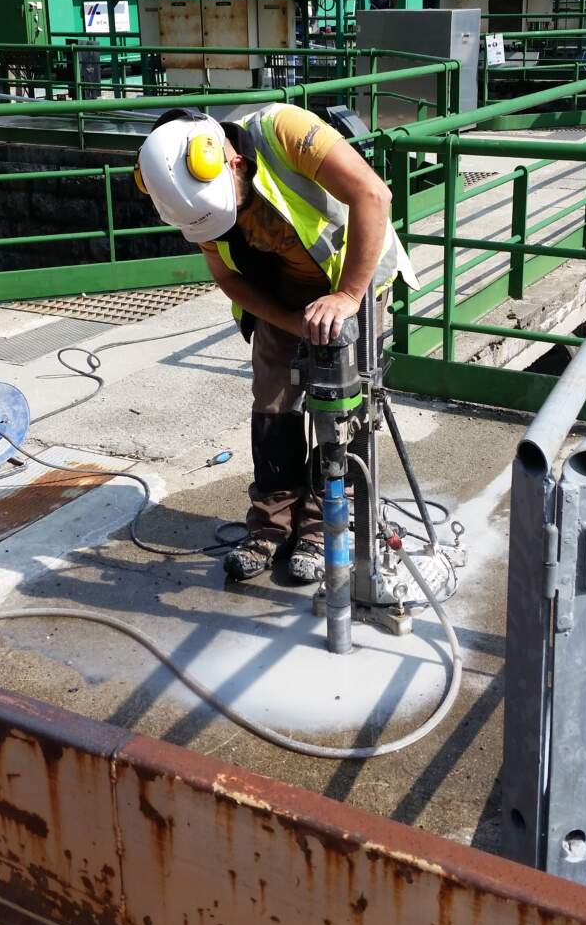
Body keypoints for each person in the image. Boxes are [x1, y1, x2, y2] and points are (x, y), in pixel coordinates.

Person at [135, 104, 417, 585]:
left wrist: (347, 296)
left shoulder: (282, 131)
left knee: (342, 405)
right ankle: (271, 525)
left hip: (353, 277)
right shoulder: (186, 192)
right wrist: (285, 321)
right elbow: (227, 276)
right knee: (272, 406)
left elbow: (373, 194)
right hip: (281, 292)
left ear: (234, 162)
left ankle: (319, 524)